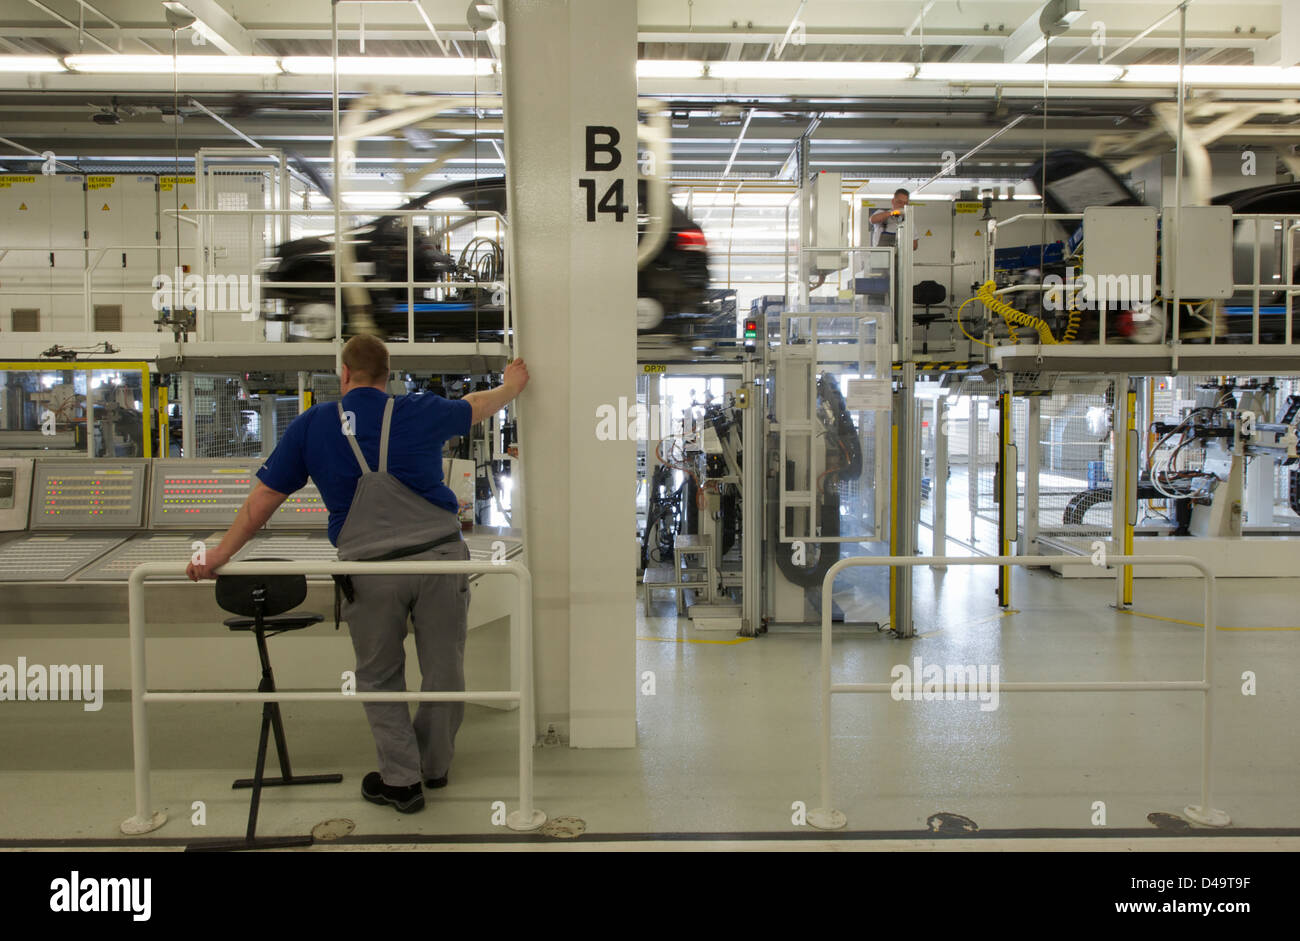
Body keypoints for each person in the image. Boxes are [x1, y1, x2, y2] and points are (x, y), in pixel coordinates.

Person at [187, 334, 530, 814]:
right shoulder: (418, 410)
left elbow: (260, 504)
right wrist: (512, 387)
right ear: (388, 376)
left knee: (379, 676)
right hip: (441, 563)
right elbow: (475, 405)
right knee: (445, 670)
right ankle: (434, 767)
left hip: (369, 575)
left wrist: (217, 555)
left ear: (343, 374)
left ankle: (402, 781)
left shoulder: (311, 426)